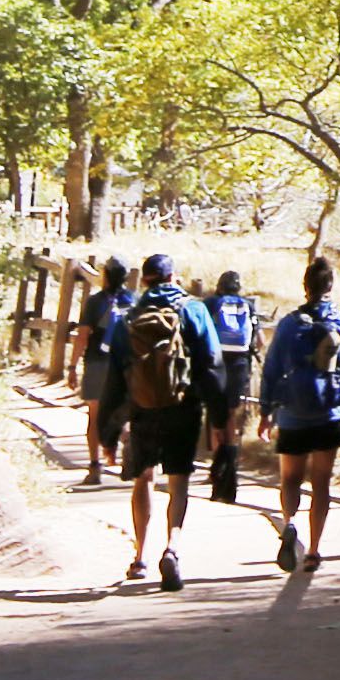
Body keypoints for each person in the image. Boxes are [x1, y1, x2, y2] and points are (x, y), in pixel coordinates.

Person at [112, 250, 225, 587]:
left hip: (142, 408)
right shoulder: (193, 309)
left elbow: (116, 372)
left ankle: (140, 557)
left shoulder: (131, 313)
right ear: (174, 277)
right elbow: (212, 365)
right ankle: (172, 547)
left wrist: (110, 424)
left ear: (144, 280)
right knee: (178, 481)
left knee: (143, 478)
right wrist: (219, 419)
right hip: (183, 407)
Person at [256, 257, 340, 573]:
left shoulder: (290, 324)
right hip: (329, 414)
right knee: (321, 483)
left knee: (290, 479)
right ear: (330, 286)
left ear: (305, 287)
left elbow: (272, 369)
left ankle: (290, 522)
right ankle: (315, 550)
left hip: (292, 413)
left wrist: (266, 411)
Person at [201, 266, 262, 506]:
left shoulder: (211, 303)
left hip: (216, 360)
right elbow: (257, 338)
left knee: (216, 415)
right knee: (231, 414)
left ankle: (218, 463)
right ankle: (230, 466)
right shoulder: (248, 305)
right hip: (239, 362)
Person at [74, 260, 136, 484]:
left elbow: (82, 335)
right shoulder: (134, 300)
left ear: (106, 276)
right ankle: (127, 440)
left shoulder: (95, 302)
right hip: (128, 365)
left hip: (98, 363)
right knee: (126, 410)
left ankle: (95, 466)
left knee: (94, 415)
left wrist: (72, 366)